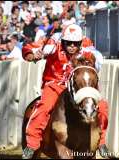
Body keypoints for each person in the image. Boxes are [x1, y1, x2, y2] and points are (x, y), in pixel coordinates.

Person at [22, 24, 109, 159]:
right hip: (54, 85)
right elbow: (28, 48)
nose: (72, 46)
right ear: (63, 41)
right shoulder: (53, 44)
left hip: (78, 87)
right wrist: (32, 54)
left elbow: (98, 58)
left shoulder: (86, 46)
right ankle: (32, 144)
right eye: (68, 43)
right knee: (44, 107)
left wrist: (93, 58)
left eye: (75, 43)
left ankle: (101, 142)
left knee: (102, 106)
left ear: (80, 42)